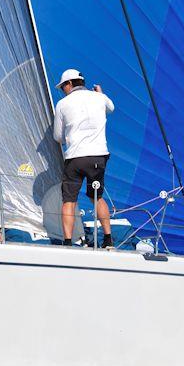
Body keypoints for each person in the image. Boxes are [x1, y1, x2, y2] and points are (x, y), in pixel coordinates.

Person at [53, 68, 115, 248]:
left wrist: (68, 136)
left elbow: (58, 137)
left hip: (75, 158)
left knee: (69, 200)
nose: (62, 90)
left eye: (62, 86)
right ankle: (108, 240)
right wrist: (101, 94)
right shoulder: (100, 98)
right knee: (97, 197)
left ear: (69, 84)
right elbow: (111, 108)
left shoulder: (63, 104)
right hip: (98, 157)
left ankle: (67, 242)